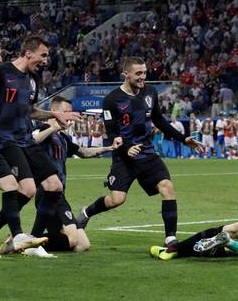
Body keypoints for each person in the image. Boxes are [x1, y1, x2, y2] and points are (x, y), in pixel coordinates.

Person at [76, 56, 203, 247]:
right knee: (116, 200)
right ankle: (87, 212)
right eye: (138, 73)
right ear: (126, 75)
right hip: (124, 157)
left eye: (144, 72)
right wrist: (127, 148)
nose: (143, 77)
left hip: (147, 153)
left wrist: (183, 139)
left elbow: (159, 120)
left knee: (167, 187)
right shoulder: (112, 99)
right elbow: (112, 133)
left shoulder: (150, 92)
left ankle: (170, 238)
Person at [0, 35, 80, 258]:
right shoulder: (1, 72)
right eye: (43, 55)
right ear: (28, 53)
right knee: (29, 189)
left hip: (25, 139)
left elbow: (31, 111)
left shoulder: (33, 79)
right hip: (4, 140)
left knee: (54, 186)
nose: (45, 60)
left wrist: (55, 114)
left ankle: (29, 240)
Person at [17, 96, 119, 254]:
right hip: (47, 193)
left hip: (60, 195)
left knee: (82, 245)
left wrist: (109, 148)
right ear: (54, 112)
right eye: (66, 112)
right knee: (72, 239)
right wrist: (53, 128)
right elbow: (32, 140)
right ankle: (27, 244)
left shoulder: (63, 138)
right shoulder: (43, 128)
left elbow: (83, 152)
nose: (70, 116)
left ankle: (29, 242)